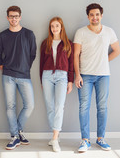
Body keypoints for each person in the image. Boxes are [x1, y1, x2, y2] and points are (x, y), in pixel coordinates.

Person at [73, 3, 120, 153]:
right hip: (85, 75)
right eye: (92, 15)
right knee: (84, 107)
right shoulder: (80, 32)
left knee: (102, 107)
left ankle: (101, 139)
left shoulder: (109, 32)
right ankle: (85, 140)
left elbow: (117, 50)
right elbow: (75, 55)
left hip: (103, 75)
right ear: (88, 16)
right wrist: (77, 74)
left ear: (101, 15)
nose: (95, 17)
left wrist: (104, 61)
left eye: (97, 14)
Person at [0, 5, 37, 150]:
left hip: (24, 75)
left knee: (30, 105)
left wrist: (25, 67)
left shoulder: (29, 34)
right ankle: (14, 136)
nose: (14, 19)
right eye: (11, 16)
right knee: (10, 107)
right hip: (8, 75)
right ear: (7, 18)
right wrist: (3, 66)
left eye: (16, 16)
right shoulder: (3, 35)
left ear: (20, 17)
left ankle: (17, 131)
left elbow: (32, 54)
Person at [40, 17, 74, 152]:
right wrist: (41, 79)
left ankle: (54, 139)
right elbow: (41, 64)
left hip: (62, 76)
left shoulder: (68, 43)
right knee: (50, 107)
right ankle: (56, 134)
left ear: (61, 27)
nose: (54, 28)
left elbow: (71, 63)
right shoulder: (45, 43)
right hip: (47, 76)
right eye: (52, 26)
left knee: (59, 106)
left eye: (57, 26)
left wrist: (70, 80)